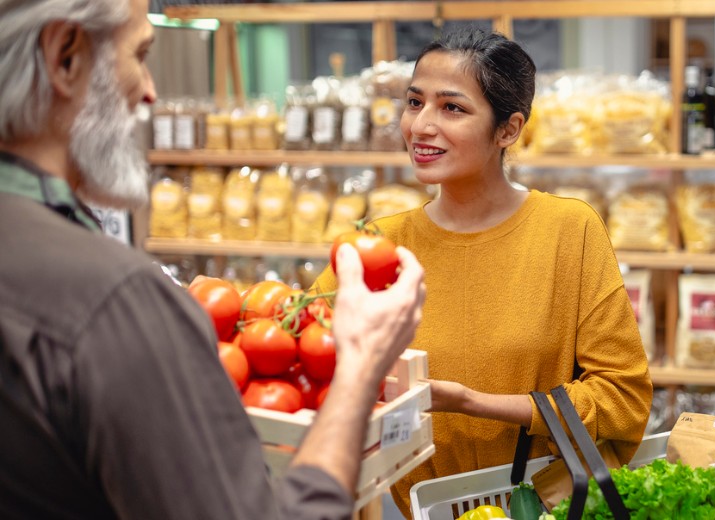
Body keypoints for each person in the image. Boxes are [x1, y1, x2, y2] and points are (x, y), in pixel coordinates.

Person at [0, 0, 426, 518]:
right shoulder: (114, 301)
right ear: (64, 57)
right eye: (140, 54)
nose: (151, 91)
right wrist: (360, 365)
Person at [310, 29, 653, 515]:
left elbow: (622, 398)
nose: (421, 126)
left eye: (452, 108)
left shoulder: (569, 230)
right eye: (414, 102)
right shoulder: (378, 246)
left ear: (508, 130)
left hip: (543, 507)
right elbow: (303, 355)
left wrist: (471, 401)